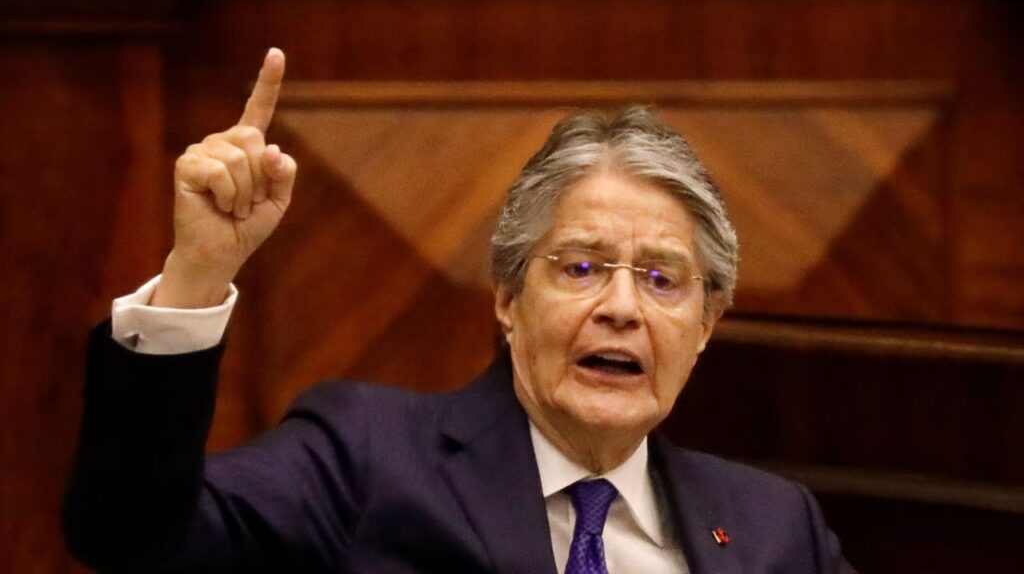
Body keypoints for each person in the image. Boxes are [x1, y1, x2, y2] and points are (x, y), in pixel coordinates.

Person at [64, 48, 856, 573]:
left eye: (662, 280)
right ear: (508, 299)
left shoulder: (774, 527)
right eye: (581, 267)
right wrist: (198, 273)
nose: (622, 307)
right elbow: (131, 537)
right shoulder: (367, 459)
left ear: (706, 325)